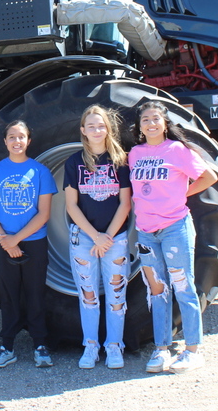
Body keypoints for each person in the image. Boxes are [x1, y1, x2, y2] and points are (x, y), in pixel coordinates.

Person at [129, 100, 218, 374]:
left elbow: (209, 177)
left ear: (165, 123)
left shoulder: (177, 150)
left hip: (174, 228)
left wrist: (182, 195)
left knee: (183, 286)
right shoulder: (135, 153)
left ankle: (192, 350)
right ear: (140, 126)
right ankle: (161, 349)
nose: (151, 123)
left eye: (156, 118)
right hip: (146, 231)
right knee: (157, 290)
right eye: (146, 120)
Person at [0, 120, 57, 369]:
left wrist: (17, 239)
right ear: (5, 141)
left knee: (35, 293)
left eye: (21, 137)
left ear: (29, 141)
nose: (16, 141)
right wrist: (6, 241)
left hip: (33, 242)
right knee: (9, 295)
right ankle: (7, 345)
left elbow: (43, 213)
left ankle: (40, 344)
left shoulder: (40, 172)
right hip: (4, 244)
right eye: (11, 137)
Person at [63, 106, 132, 370]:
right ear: (83, 130)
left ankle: (114, 347)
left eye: (100, 125)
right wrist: (95, 237)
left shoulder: (120, 160)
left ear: (108, 128)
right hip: (83, 238)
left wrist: (108, 238)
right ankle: (90, 346)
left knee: (116, 294)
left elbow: (125, 204)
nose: (96, 130)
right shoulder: (74, 162)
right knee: (88, 295)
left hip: (116, 239)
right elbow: (71, 205)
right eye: (90, 126)